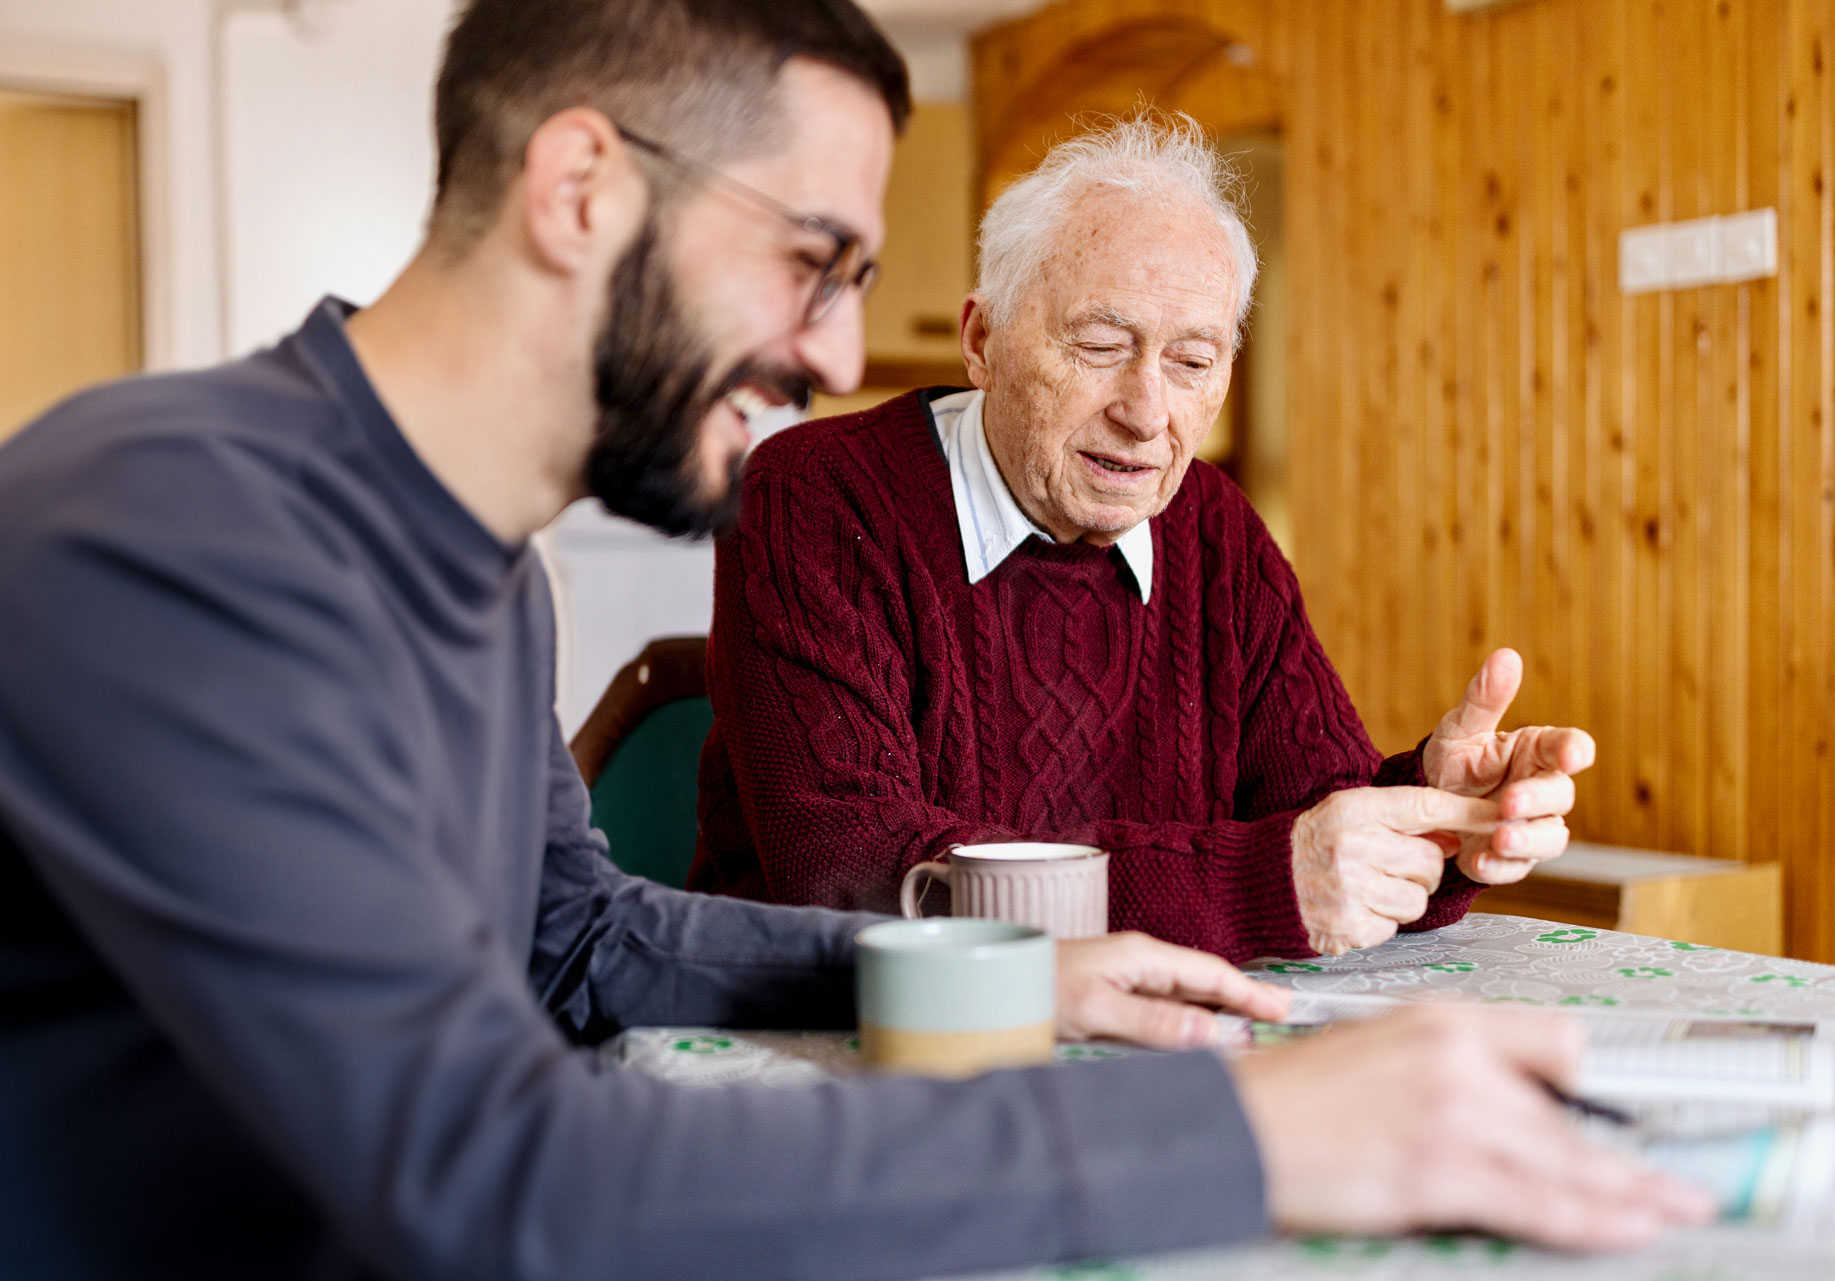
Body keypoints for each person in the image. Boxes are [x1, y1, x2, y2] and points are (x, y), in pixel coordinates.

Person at [0, 2, 1710, 1278]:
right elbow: (479, 1171)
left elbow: (578, 942)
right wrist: (1238, 1131)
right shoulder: (172, 521)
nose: (836, 356)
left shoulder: (489, 572)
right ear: (584, 187)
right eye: (812, 264)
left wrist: (1012, 966)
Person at [690, 115, 1594, 962]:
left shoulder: (1215, 527)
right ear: (982, 338)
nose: (1146, 413)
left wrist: (1435, 817)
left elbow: (1314, 817)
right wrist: (1258, 882)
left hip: (1141, 1043)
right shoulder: (813, 495)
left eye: (1193, 362)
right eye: (1099, 345)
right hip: (849, 1047)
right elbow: (852, 868)